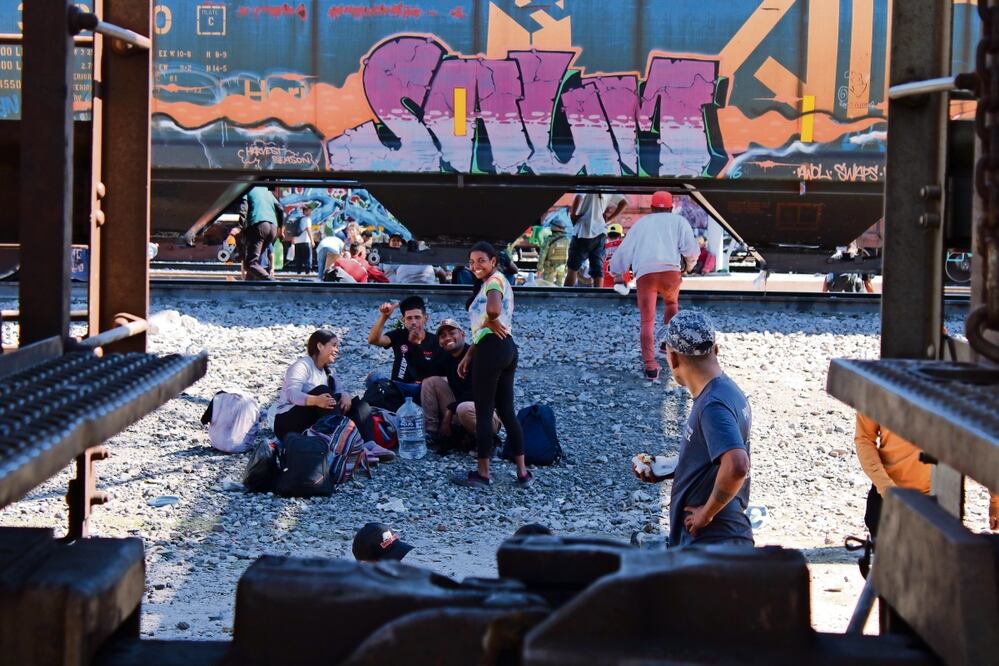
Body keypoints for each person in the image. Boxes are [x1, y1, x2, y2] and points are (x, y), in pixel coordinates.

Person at [632, 310, 753, 548]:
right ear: (715, 350)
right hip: (721, 541)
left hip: (712, 544)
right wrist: (667, 468)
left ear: (673, 358)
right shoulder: (727, 391)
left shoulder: (712, 406)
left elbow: (737, 465)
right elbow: (714, 459)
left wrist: (706, 514)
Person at [451, 242, 531, 488]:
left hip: (492, 351)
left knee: (484, 411)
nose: (475, 266)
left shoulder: (494, 281)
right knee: (507, 410)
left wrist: (490, 319)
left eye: (481, 260)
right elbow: (486, 326)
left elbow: (493, 311)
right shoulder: (495, 281)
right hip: (506, 348)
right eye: (472, 261)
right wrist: (469, 354)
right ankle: (522, 473)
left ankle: (483, 473)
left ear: (494, 261)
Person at [609, 190, 700, 382]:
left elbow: (625, 250)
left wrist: (616, 272)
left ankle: (650, 366)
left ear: (651, 207)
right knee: (671, 305)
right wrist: (689, 267)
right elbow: (691, 250)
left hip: (646, 275)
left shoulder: (641, 224)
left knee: (647, 321)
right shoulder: (679, 222)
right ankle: (667, 344)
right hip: (671, 274)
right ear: (670, 207)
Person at [272, 330, 385, 457]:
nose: (337, 350)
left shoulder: (329, 372)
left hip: (315, 419)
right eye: (334, 345)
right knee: (323, 392)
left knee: (359, 405)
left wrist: (345, 396)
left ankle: (368, 445)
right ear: (320, 346)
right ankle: (342, 448)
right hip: (287, 423)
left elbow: (340, 391)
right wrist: (315, 400)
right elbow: (292, 394)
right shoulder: (302, 365)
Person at [420, 319, 500, 450]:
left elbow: (477, 391)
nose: (447, 338)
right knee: (430, 382)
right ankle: (432, 433)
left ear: (462, 334)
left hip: (485, 414)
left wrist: (449, 412)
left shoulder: (477, 355)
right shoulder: (446, 358)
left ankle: (487, 441)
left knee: (463, 408)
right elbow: (424, 371)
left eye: (452, 333)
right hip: (460, 410)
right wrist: (418, 345)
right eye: (443, 336)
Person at [366, 296, 442, 401]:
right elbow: (373, 340)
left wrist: (418, 345)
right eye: (409, 318)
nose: (414, 322)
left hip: (421, 390)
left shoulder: (435, 341)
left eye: (417, 317)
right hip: (398, 385)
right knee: (373, 377)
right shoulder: (399, 335)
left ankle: (389, 394)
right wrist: (384, 317)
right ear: (403, 320)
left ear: (425, 318)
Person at [564, 193, 627, 287]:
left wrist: (573, 216)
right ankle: (598, 298)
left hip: (582, 231)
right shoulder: (608, 188)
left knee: (573, 268)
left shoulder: (586, 183)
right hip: (600, 232)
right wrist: (609, 220)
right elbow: (624, 203)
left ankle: (566, 298)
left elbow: (578, 197)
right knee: (598, 271)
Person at [238, 186, 285, 281]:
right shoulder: (266, 192)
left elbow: (243, 208)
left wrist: (239, 227)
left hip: (259, 225)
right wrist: (280, 229)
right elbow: (280, 209)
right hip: (273, 228)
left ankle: (272, 282)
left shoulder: (246, 188)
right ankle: (248, 287)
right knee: (256, 261)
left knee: (250, 263)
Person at [536, 219, 570, 286]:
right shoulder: (567, 240)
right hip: (562, 267)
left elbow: (542, 255)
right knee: (560, 287)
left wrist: (539, 268)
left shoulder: (548, 240)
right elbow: (568, 255)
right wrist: (566, 268)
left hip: (549, 268)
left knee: (548, 286)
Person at [601, 223, 633, 288]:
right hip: (622, 278)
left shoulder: (602, 247)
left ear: (608, 236)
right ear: (620, 236)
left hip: (605, 279)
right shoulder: (624, 245)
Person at [285, 207, 314, 274]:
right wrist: (312, 240)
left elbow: (294, 230)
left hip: (297, 241)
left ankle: (298, 271)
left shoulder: (298, 219)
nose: (310, 213)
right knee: (307, 257)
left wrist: (293, 239)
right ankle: (307, 272)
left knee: (298, 257)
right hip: (305, 240)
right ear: (305, 212)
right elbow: (308, 230)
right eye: (309, 211)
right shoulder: (307, 219)